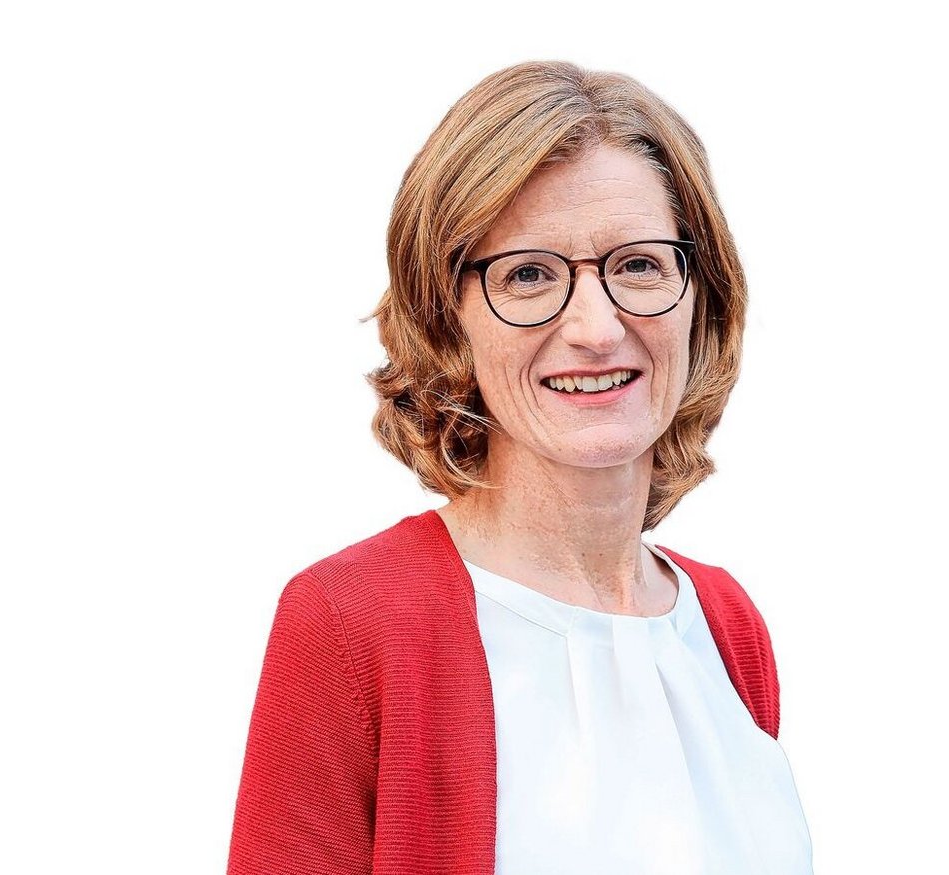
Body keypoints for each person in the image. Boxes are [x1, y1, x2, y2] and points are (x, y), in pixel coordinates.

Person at [226, 60, 813, 875]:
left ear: (699, 296)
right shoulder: (349, 625)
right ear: (448, 317)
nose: (596, 329)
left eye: (639, 264)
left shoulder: (725, 625)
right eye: (528, 274)